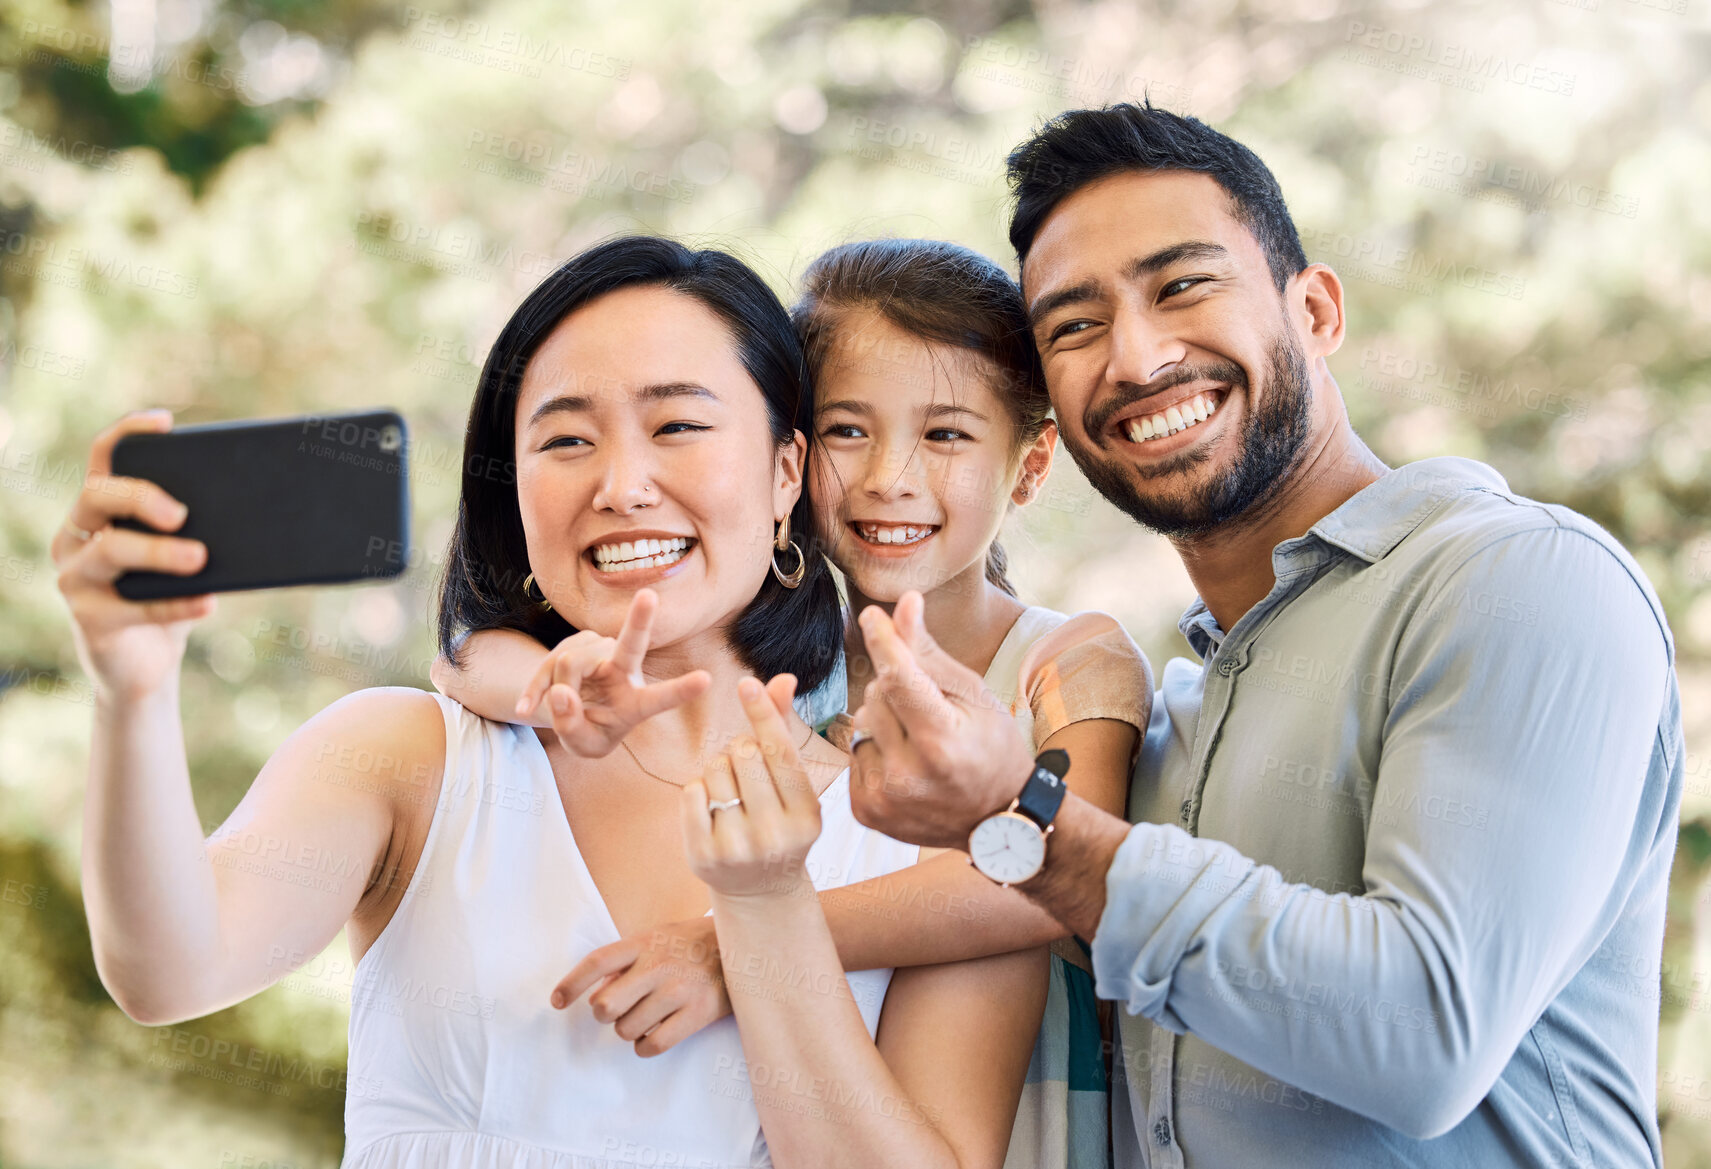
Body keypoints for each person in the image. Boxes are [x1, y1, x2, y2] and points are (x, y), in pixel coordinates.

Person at [54, 235, 1048, 1168]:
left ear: (787, 470)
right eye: (565, 439)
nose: (621, 484)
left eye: (678, 425)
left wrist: (765, 907)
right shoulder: (408, 756)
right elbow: (164, 972)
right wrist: (131, 692)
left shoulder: (926, 829)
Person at [842, 103, 1684, 1169]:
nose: (1136, 357)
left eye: (1182, 284)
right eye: (1072, 326)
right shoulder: (1179, 707)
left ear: (1317, 308)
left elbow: (1421, 1035)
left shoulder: (1518, 581)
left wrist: (1026, 825)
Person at [436, 236, 1153, 1169]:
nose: (889, 476)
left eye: (944, 434)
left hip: (1022, 1122)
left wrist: (727, 945)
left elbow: (1044, 880)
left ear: (1026, 465)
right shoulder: (784, 671)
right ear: (787, 455)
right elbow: (473, 657)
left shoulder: (1064, 661)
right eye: (850, 431)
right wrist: (537, 689)